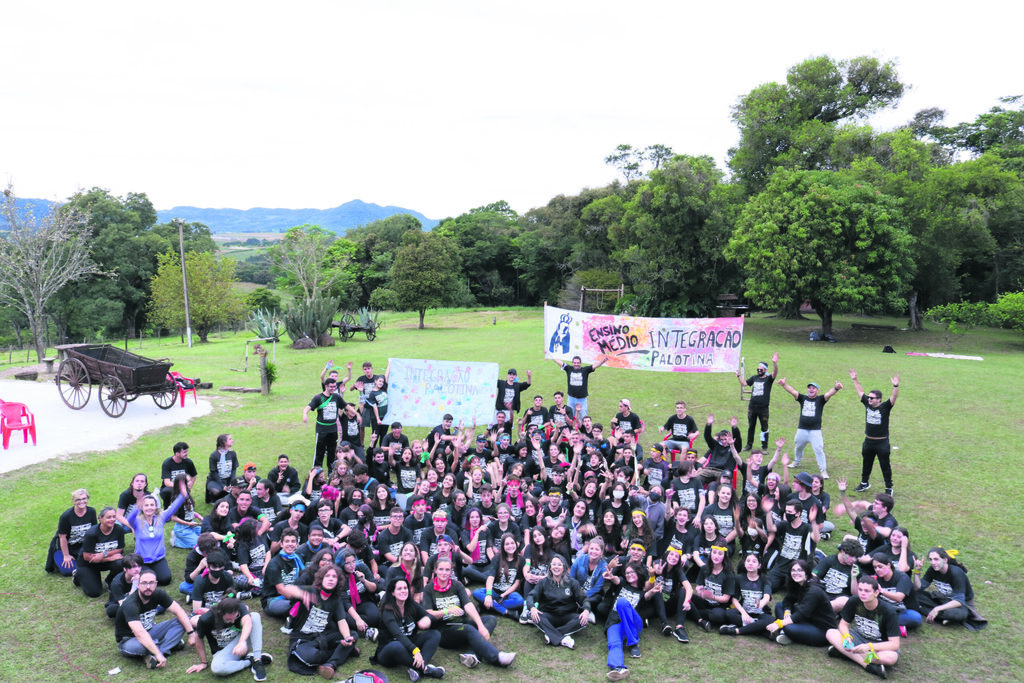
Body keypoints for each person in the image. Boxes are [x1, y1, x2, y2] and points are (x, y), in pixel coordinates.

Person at [423, 556, 516, 670]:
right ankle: (497, 658)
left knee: (490, 619)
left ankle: (471, 654)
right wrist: (446, 611)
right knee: (468, 628)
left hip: (462, 623)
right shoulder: (429, 589)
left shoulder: (457, 585)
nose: (444, 572)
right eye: (441, 569)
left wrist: (481, 626)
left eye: (447, 570)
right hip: (444, 630)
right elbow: (428, 613)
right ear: (435, 570)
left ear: (451, 571)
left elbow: (468, 605)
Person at [114, 568, 197, 669]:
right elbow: (139, 633)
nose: (148, 587)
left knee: (182, 621)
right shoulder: (130, 604)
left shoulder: (158, 594)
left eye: (151, 583)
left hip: (150, 631)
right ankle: (168, 645)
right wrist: (158, 654)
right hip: (130, 640)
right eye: (144, 583)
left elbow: (179, 611)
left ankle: (154, 652)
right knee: (142, 647)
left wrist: (191, 634)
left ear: (156, 584)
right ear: (138, 585)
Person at [287, 564, 359, 679]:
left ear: (338, 581)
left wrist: (346, 638)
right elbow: (288, 589)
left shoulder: (336, 599)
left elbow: (342, 621)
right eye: (327, 576)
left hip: (322, 636)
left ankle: (331, 664)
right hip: (303, 638)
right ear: (321, 578)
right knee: (313, 656)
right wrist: (301, 593)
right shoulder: (311, 591)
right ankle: (343, 652)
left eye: (334, 577)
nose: (331, 579)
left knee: (353, 635)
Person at [825, 575, 900, 679]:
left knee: (891, 658)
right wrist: (847, 637)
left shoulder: (888, 611)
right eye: (860, 590)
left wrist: (869, 647)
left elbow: (894, 644)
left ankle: (843, 653)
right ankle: (867, 665)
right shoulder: (854, 601)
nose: (862, 593)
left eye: (867, 591)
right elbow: (843, 624)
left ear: (876, 592)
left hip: (879, 645)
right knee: (830, 633)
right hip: (858, 637)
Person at [372, 577, 445, 680]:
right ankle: (425, 669)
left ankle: (417, 668)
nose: (403, 591)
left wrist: (428, 619)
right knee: (396, 645)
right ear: (393, 593)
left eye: (405, 588)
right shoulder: (387, 611)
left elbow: (428, 615)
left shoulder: (411, 604)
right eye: (399, 589)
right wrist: (415, 650)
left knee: (434, 634)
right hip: (389, 651)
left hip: (410, 642)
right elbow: (398, 634)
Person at [602, 561, 661, 681]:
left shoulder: (642, 590)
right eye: (626, 573)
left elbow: (647, 595)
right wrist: (611, 576)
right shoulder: (623, 583)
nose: (628, 575)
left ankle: (633, 642)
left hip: (634, 624)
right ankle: (619, 668)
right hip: (615, 623)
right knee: (614, 643)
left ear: (638, 572)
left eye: (631, 572)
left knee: (622, 602)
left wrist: (653, 590)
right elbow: (616, 579)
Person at [189, 597, 272, 680]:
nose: (233, 621)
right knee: (217, 668)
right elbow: (198, 638)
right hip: (222, 652)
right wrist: (203, 662)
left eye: (235, 617)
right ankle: (250, 661)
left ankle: (257, 660)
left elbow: (247, 621)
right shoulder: (206, 619)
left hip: (241, 644)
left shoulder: (238, 605)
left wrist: (242, 642)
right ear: (220, 613)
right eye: (229, 619)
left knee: (254, 616)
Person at [777, 377, 842, 479]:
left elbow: (829, 394)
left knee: (819, 449)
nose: (811, 390)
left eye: (813, 388)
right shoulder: (803, 398)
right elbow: (793, 391)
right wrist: (784, 384)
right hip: (802, 429)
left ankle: (823, 470)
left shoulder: (820, 400)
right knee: (798, 446)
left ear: (817, 390)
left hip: (815, 431)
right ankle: (796, 462)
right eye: (810, 388)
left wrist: (836, 388)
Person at [127, 480, 188, 586]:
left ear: (156, 506)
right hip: (142, 560)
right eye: (146, 505)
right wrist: (137, 506)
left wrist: (183, 495)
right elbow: (129, 519)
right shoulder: (137, 521)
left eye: (152, 505)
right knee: (146, 581)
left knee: (165, 580)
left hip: (158, 558)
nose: (149, 507)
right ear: (142, 507)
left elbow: (173, 507)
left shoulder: (161, 517)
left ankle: (152, 573)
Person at [849, 369, 900, 495]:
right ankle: (864, 483)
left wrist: (895, 386)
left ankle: (889, 487)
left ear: (879, 400)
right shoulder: (867, 404)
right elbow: (860, 392)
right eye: (869, 397)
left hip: (882, 443)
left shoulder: (885, 407)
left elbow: (893, 398)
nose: (869, 399)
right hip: (868, 441)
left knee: (885, 466)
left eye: (872, 398)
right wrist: (855, 379)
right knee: (866, 464)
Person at [524, 554, 591, 649]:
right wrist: (532, 607)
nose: (556, 567)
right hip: (549, 616)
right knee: (533, 615)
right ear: (550, 567)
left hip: (568, 616)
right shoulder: (543, 582)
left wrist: (586, 610)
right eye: (554, 564)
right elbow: (530, 596)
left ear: (564, 567)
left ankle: (551, 635)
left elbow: (584, 599)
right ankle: (563, 639)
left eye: (559, 564)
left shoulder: (572, 582)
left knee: (583, 619)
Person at [766, 559, 837, 646]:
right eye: (793, 570)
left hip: (821, 629)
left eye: (800, 570)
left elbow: (801, 614)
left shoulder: (814, 591)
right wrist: (787, 612)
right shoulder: (797, 584)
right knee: (780, 606)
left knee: (789, 628)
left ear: (806, 572)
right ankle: (787, 633)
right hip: (806, 620)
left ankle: (786, 632)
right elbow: (788, 600)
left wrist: (779, 624)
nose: (796, 573)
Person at [913, 547, 985, 628]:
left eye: (936, 559)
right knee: (913, 594)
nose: (933, 562)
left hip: (960, 605)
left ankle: (927, 610)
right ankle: (940, 617)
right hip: (942, 599)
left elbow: (959, 601)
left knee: (959, 614)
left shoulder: (956, 573)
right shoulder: (932, 569)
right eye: (931, 559)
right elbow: (918, 588)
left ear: (945, 560)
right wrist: (917, 571)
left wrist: (937, 609)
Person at [76, 506, 127, 598]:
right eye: (108, 517)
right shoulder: (91, 534)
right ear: (100, 518)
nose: (112, 519)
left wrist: (104, 554)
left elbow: (120, 549)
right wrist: (110, 558)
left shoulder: (118, 529)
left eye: (114, 517)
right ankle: (78, 576)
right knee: (94, 593)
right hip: (89, 564)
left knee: (121, 563)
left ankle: (109, 580)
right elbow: (87, 557)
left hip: (103, 560)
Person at [47, 488, 96, 576]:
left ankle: (79, 561)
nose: (82, 501)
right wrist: (66, 555)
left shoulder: (91, 512)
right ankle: (58, 559)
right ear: (73, 501)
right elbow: (62, 537)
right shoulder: (66, 516)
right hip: (65, 546)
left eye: (84, 498)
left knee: (94, 562)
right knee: (68, 571)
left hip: (81, 545)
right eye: (78, 500)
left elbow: (94, 532)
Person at [737, 353, 779, 450]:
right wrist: (738, 376)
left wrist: (775, 363)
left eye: (761, 369)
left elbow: (775, 372)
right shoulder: (754, 378)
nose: (759, 371)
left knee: (764, 427)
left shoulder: (769, 379)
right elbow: (744, 383)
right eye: (758, 369)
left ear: (765, 370)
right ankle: (749, 445)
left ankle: (764, 447)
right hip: (752, 408)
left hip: (763, 409)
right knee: (751, 426)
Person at [302, 378, 346, 472]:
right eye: (331, 386)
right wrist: (305, 414)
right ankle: (317, 472)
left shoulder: (336, 397)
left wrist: (357, 414)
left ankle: (331, 472)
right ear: (326, 386)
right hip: (322, 429)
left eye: (334, 386)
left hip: (333, 429)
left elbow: (345, 406)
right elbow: (308, 407)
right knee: (320, 451)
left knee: (332, 451)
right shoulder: (318, 398)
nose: (333, 388)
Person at [160, 441, 198, 508]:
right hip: (170, 487)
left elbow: (194, 476)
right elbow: (167, 482)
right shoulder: (167, 463)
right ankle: (167, 508)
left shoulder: (188, 462)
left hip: (183, 488)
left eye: (187, 451)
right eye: (184, 452)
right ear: (177, 453)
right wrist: (181, 486)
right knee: (167, 492)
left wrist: (190, 485)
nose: (187, 454)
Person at [106, 553, 144, 619]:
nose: (137, 569)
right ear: (125, 569)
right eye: (133, 567)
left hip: (139, 600)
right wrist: (134, 586)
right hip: (120, 603)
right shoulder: (117, 583)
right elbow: (124, 603)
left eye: (139, 566)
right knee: (111, 610)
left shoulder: (143, 576)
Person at [207, 434, 239, 503]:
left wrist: (232, 482)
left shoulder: (232, 453)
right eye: (230, 439)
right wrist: (222, 485)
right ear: (224, 442)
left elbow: (234, 469)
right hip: (215, 480)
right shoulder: (214, 455)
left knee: (239, 489)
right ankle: (213, 500)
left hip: (228, 480)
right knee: (216, 491)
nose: (232, 440)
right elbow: (214, 472)